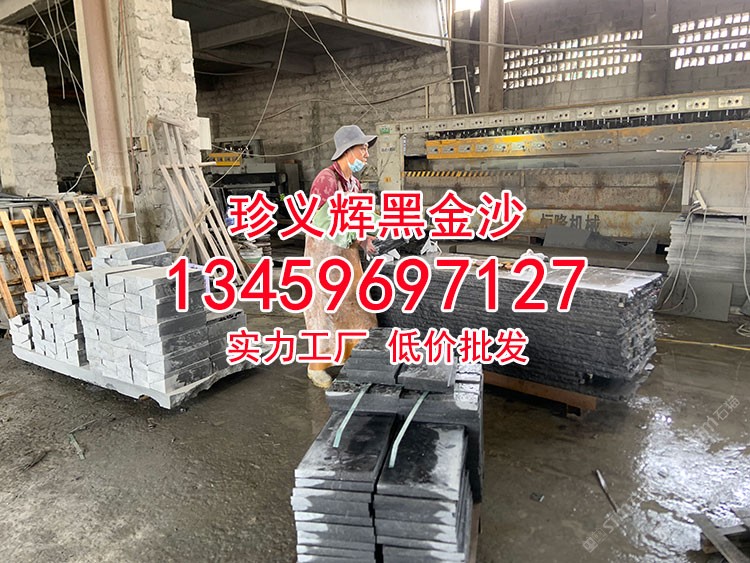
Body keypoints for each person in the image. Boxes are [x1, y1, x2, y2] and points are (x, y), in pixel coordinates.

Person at [303, 125, 378, 388]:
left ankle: (350, 359)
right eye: (362, 148)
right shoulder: (326, 180)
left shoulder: (354, 183)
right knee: (325, 313)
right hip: (324, 256)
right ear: (347, 151)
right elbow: (321, 221)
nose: (367, 154)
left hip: (346, 255)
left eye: (367, 148)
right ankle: (316, 368)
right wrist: (352, 236)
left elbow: (360, 215)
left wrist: (370, 234)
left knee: (356, 307)